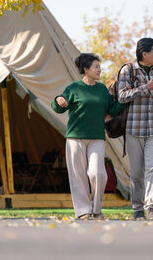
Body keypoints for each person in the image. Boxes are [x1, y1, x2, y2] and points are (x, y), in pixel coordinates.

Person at [51, 53, 126, 220]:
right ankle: (83, 211)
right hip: (75, 138)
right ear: (86, 69)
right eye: (96, 67)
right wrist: (59, 100)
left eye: (99, 66)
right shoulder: (73, 88)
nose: (99, 69)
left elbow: (112, 109)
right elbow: (58, 107)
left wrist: (125, 99)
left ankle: (97, 209)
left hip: (97, 137)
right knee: (77, 176)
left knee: (97, 173)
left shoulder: (101, 89)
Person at [117, 38, 153, 220]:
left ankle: (150, 208)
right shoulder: (128, 70)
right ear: (144, 54)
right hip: (134, 128)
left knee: (152, 169)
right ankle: (137, 209)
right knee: (136, 173)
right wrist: (145, 87)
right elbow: (122, 96)